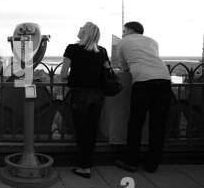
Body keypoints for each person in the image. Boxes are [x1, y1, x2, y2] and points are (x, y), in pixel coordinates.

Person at [115, 21, 171, 173]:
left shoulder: (123, 42)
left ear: (131, 31)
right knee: (158, 125)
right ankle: (152, 164)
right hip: (164, 80)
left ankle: (131, 161)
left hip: (143, 82)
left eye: (124, 30)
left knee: (136, 123)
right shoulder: (152, 41)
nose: (122, 33)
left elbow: (124, 66)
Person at [60, 22, 109, 179]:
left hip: (80, 94)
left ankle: (85, 167)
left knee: (81, 130)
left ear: (85, 32)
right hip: (98, 95)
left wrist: (75, 77)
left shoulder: (72, 49)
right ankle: (88, 163)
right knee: (92, 129)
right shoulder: (102, 51)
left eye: (81, 27)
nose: (79, 29)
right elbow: (107, 72)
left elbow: (62, 74)